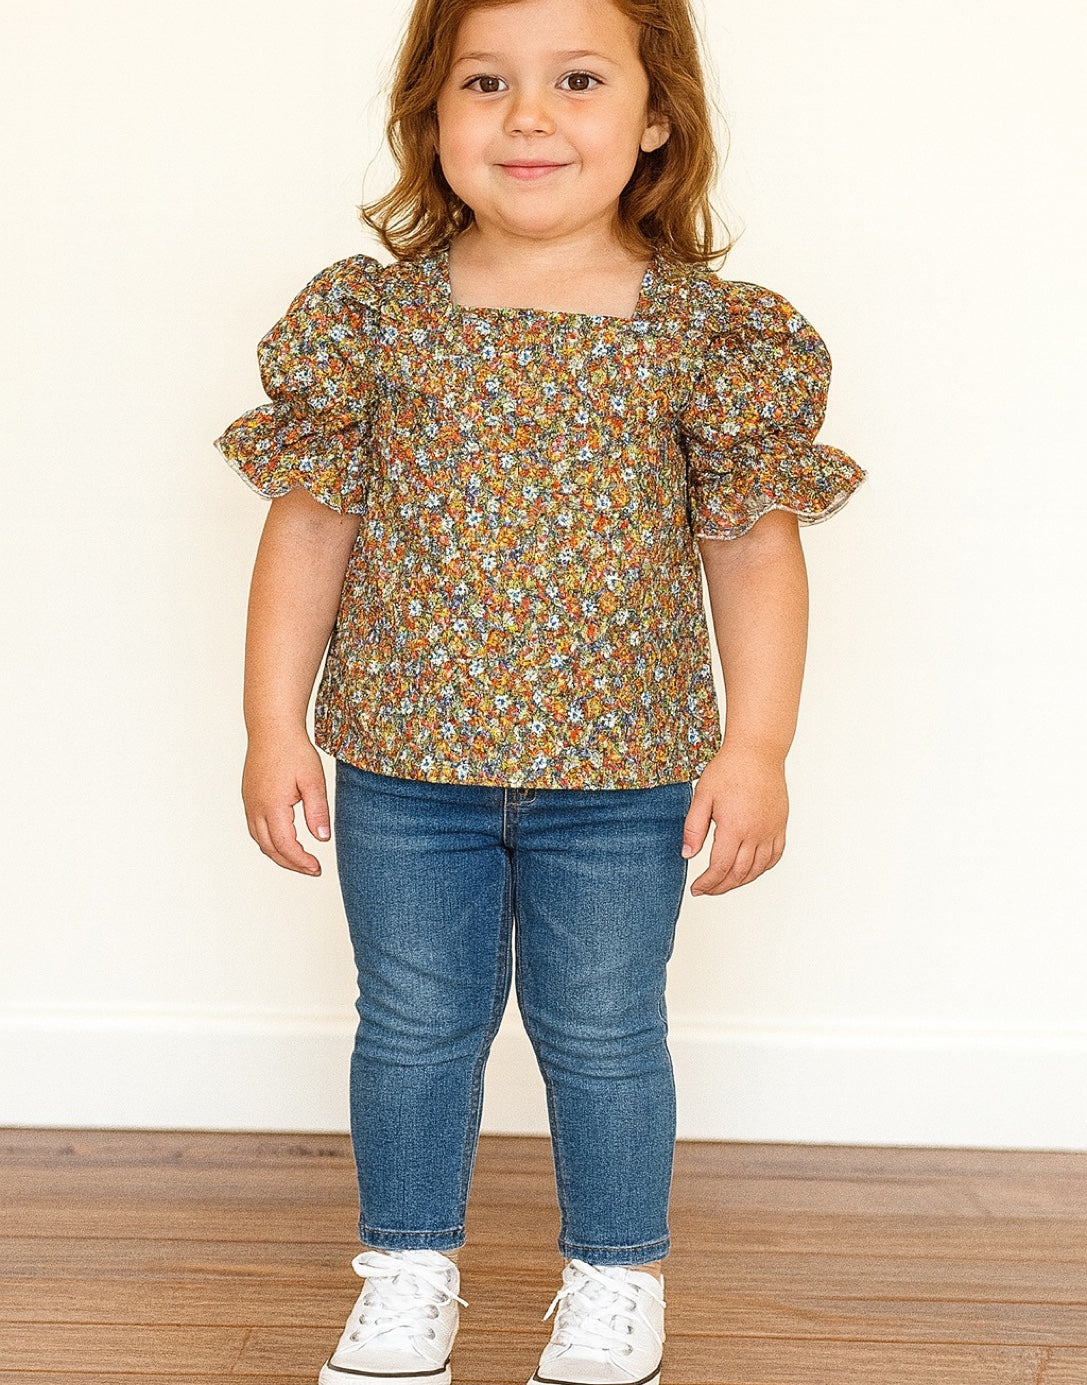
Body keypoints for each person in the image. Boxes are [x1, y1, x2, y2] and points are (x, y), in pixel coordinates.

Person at [215, 0, 865, 1380]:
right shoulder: (372, 320)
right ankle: (405, 1273)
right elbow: (310, 522)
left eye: (577, 80)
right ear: (429, 117)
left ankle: (614, 1278)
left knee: (608, 1029)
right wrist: (276, 723)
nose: (527, 117)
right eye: (485, 82)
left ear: (653, 116)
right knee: (409, 1024)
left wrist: (759, 744)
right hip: (403, 765)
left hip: (625, 778)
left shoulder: (705, 336)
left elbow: (752, 545)